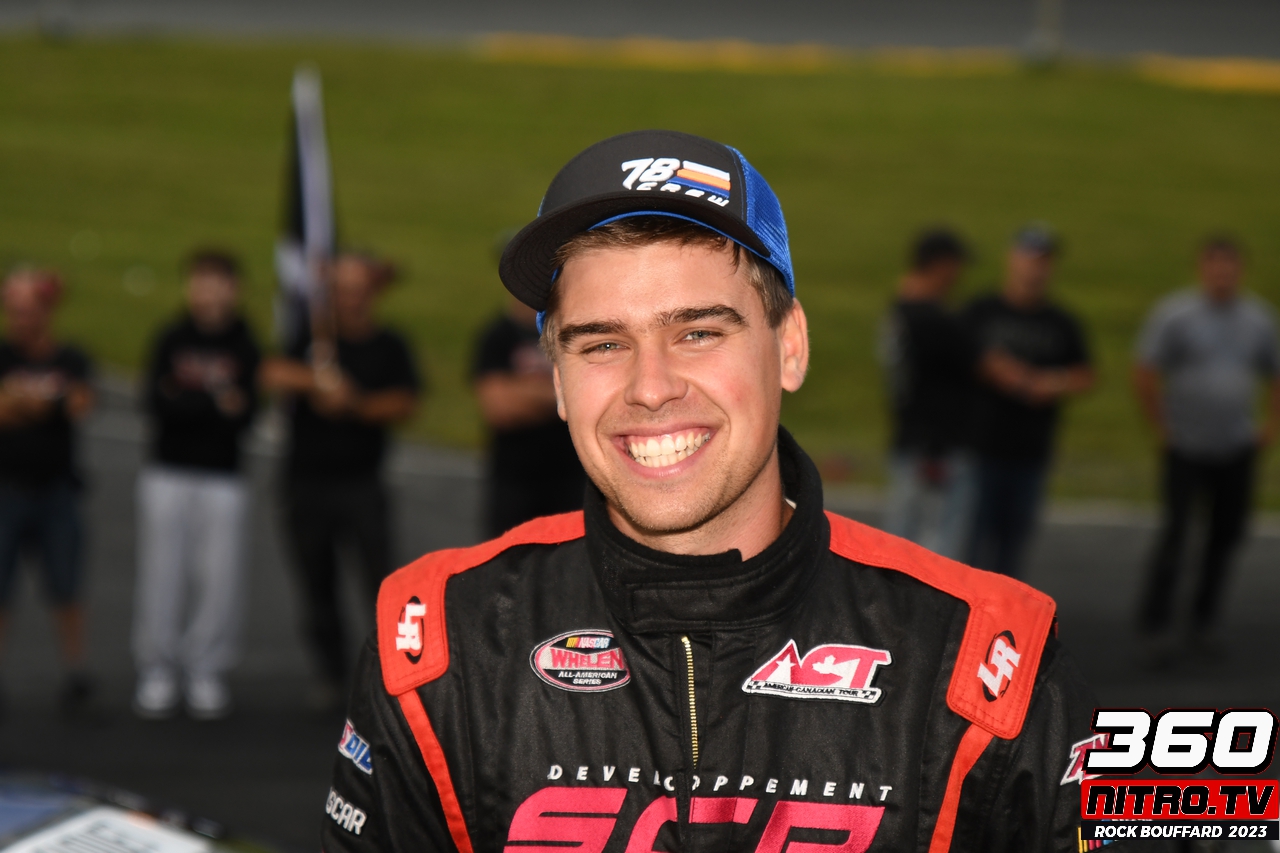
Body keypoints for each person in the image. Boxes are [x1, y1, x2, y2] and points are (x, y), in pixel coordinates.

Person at [322, 132, 1123, 853]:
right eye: (602, 343)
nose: (651, 387)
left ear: (790, 346)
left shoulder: (990, 661)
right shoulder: (436, 652)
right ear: (558, 380)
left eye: (698, 332)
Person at [262, 252, 421, 706]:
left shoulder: (389, 344)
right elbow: (271, 370)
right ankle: (330, 674)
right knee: (317, 583)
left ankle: (390, 671)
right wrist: (317, 382)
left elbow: (404, 402)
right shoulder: (313, 340)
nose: (350, 299)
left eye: (358, 290)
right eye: (342, 290)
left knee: (382, 582)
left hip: (362, 483)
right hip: (305, 484)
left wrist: (355, 404)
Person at [132, 250, 262, 720]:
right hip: (167, 471)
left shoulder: (246, 344)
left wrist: (187, 399)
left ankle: (207, 666)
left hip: (224, 476)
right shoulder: (171, 337)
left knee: (219, 577)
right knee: (161, 572)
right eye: (199, 283)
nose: (206, 293)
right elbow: (155, 403)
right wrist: (214, 404)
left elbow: (247, 414)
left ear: (233, 288)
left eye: (215, 283)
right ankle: (158, 667)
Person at [1133, 235, 1279, 653]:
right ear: (1202, 269)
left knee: (1226, 535)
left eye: (1229, 268)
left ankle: (1203, 619)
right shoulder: (1176, 315)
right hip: (1187, 446)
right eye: (1215, 267)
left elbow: (1274, 372)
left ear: (1240, 271)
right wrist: (1162, 427)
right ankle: (1156, 623)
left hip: (1235, 446)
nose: (1222, 275)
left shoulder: (1258, 319)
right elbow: (1145, 369)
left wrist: (1269, 426)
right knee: (1177, 533)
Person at [964, 225, 1094, 578]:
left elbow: (1085, 374)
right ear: (1012, 259)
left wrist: (1050, 383)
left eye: (1043, 261)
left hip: (1031, 452)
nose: (1035, 269)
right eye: (1029, 259)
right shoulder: (982, 311)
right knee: (969, 546)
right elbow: (958, 355)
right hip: (980, 448)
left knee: (1012, 550)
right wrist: (996, 370)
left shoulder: (1061, 322)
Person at [0, 267, 95, 712]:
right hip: (6, 490)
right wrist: (47, 404)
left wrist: (25, 402)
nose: (20, 318)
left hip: (57, 491)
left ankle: (75, 674)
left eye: (28, 309)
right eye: (14, 309)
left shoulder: (71, 357)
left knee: (66, 586)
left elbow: (81, 403)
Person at [879, 228, 976, 558]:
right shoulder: (932, 320)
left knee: (904, 535)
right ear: (940, 265)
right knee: (936, 542)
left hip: (913, 437)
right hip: (934, 446)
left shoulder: (900, 312)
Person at [473, 295, 586, 537]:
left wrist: (523, 392)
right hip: (514, 476)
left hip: (571, 474)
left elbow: (590, 393)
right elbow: (500, 408)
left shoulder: (571, 332)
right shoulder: (498, 336)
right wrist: (565, 396)